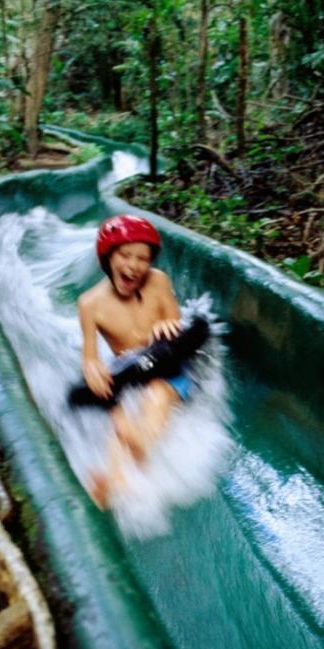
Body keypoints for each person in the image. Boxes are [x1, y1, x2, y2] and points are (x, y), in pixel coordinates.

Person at [77, 214, 189, 507]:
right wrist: (92, 369)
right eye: (125, 255)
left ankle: (142, 446)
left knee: (155, 396)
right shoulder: (90, 304)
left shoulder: (158, 282)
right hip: (129, 373)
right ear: (108, 257)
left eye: (142, 258)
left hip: (166, 370)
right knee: (120, 419)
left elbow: (176, 324)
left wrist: (165, 327)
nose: (133, 265)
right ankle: (114, 482)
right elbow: (89, 356)